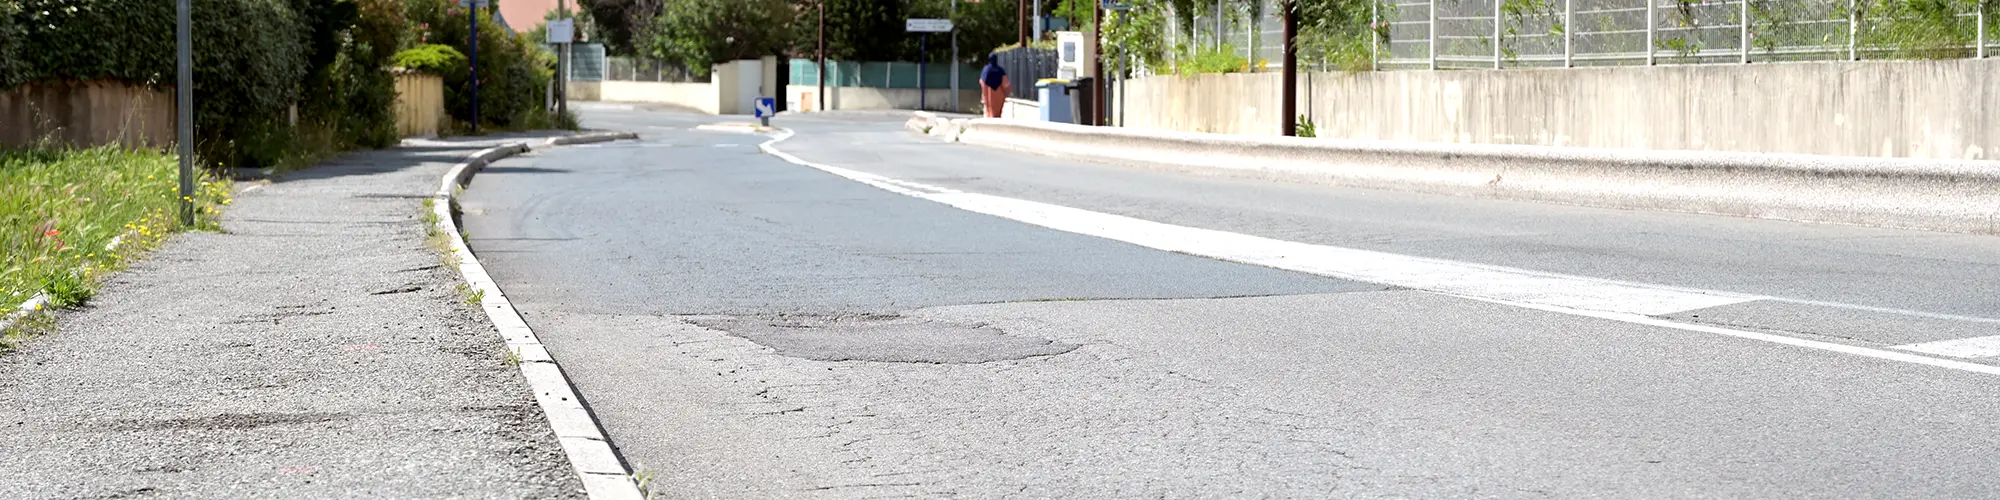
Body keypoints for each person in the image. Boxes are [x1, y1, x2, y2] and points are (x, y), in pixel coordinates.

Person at [979, 54, 1010, 118]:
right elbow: (1005, 83)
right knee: (997, 111)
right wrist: (1009, 91)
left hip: (987, 92)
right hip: (999, 93)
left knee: (988, 110)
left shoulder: (986, 69)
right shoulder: (1000, 70)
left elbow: (982, 81)